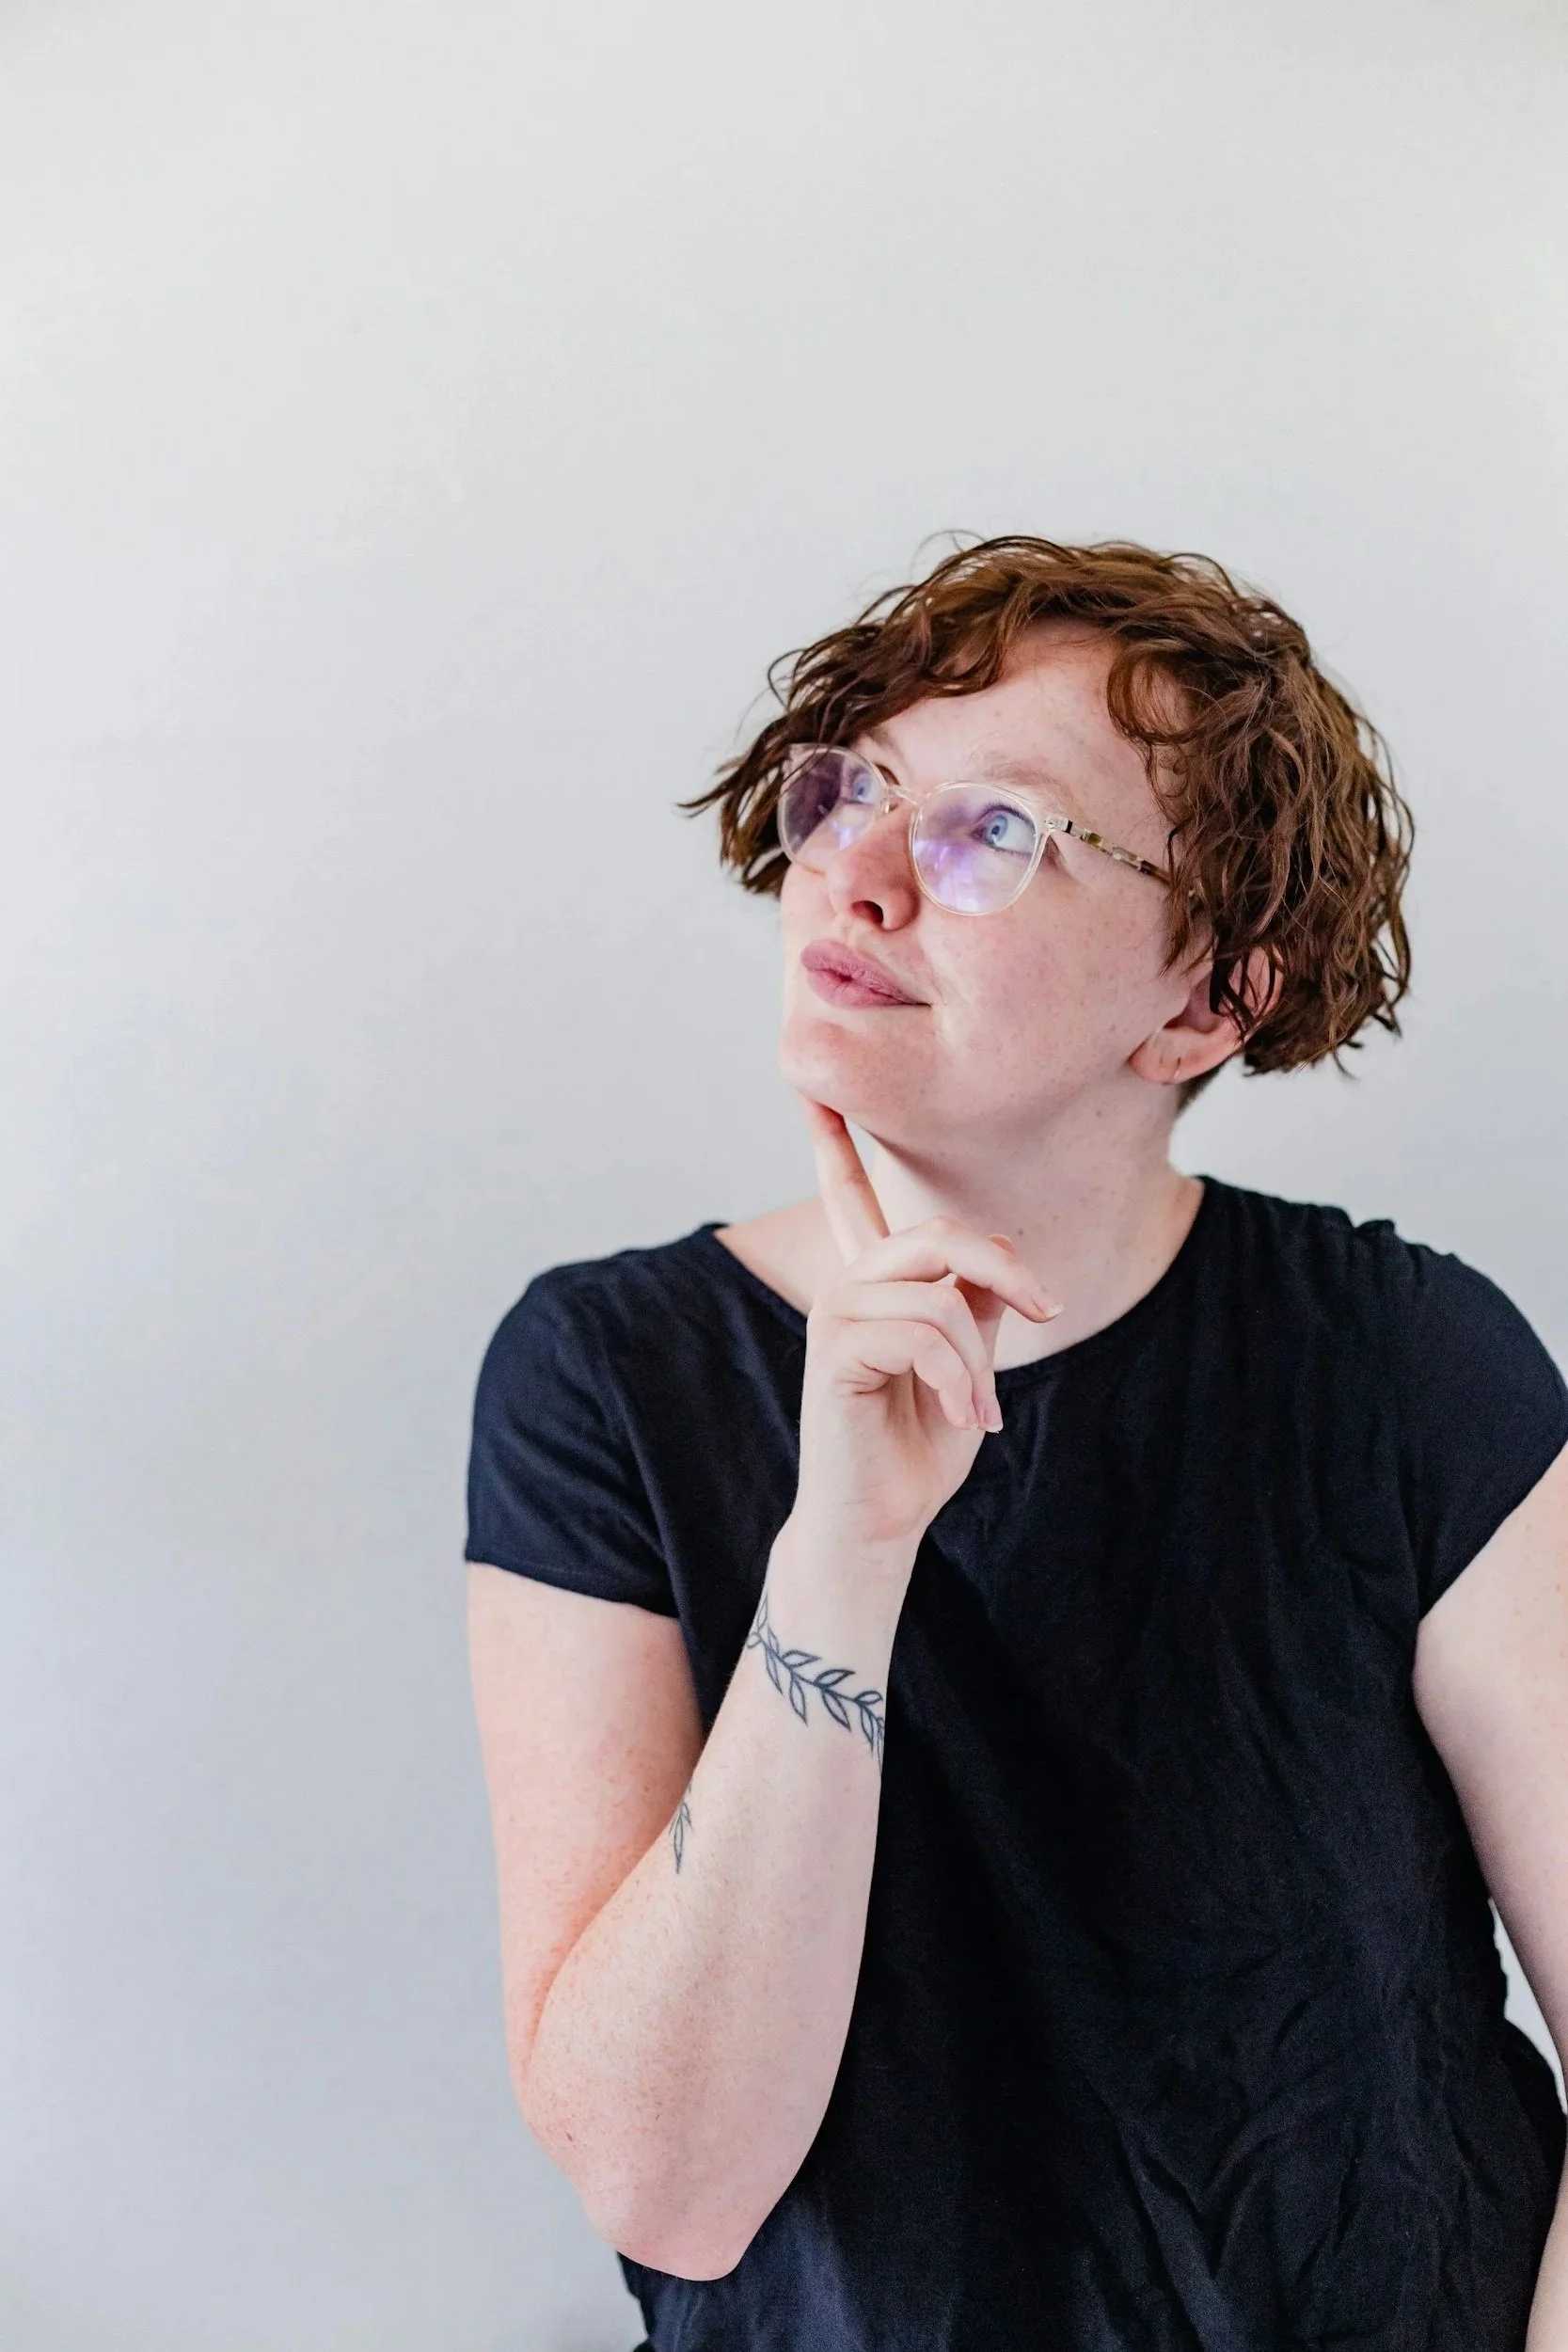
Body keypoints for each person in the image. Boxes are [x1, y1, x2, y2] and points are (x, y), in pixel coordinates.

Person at [463, 537, 1568, 2351]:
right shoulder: (605, 1371)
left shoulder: (1406, 1363)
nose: (866, 873)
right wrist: (841, 1551)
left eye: (997, 833)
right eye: (860, 789)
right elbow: (670, 2185)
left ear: (1205, 999)